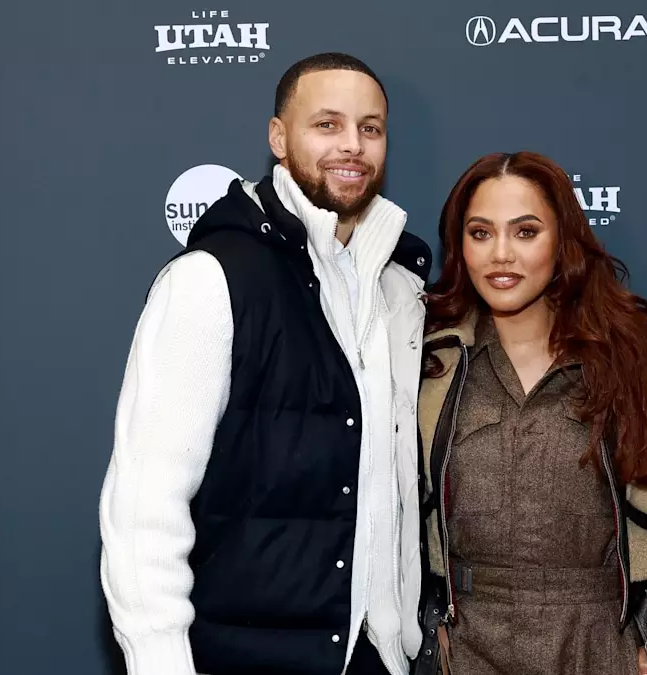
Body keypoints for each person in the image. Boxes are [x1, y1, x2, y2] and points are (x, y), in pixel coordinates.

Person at [98, 52, 432, 675]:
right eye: (327, 125)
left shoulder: (399, 290)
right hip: (243, 657)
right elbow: (145, 508)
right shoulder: (210, 281)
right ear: (279, 137)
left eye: (370, 127)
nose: (352, 146)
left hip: (376, 656)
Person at [413, 152, 647, 675]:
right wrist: (429, 625)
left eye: (525, 232)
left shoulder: (629, 356)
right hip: (468, 645)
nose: (501, 254)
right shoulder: (429, 360)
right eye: (480, 233)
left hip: (600, 644)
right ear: (460, 246)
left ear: (562, 240)